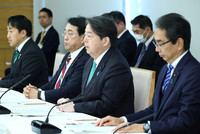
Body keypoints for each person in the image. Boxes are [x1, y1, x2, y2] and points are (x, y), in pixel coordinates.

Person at [95, 13, 200, 134]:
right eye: (156, 44)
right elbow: (154, 110)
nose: (156, 49)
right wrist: (122, 119)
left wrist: (146, 127)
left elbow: (186, 122)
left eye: (160, 44)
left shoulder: (194, 74)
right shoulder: (166, 68)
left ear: (179, 44)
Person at [57, 16, 134, 118]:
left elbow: (106, 105)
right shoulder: (90, 60)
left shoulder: (117, 66)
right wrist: (70, 102)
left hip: (110, 124)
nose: (84, 40)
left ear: (105, 41)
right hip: (90, 118)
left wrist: (74, 107)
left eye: (89, 36)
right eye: (84, 35)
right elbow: (85, 95)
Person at [23, 17, 90, 103]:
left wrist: (40, 94)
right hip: (54, 101)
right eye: (65, 33)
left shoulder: (86, 58)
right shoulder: (68, 56)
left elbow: (70, 89)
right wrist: (35, 90)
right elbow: (53, 82)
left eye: (70, 34)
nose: (65, 38)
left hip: (65, 104)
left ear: (83, 38)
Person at [0, 15, 48, 93]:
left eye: (11, 31)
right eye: (7, 31)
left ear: (23, 33)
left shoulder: (32, 52)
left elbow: (22, 81)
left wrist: (1, 83)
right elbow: (13, 75)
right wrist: (3, 80)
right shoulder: (19, 49)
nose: (8, 36)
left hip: (32, 97)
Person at [36, 8, 60, 77]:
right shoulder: (40, 34)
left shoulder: (54, 34)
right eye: (39, 17)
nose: (41, 19)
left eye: (44, 17)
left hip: (48, 69)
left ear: (50, 18)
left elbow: (48, 52)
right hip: (39, 66)